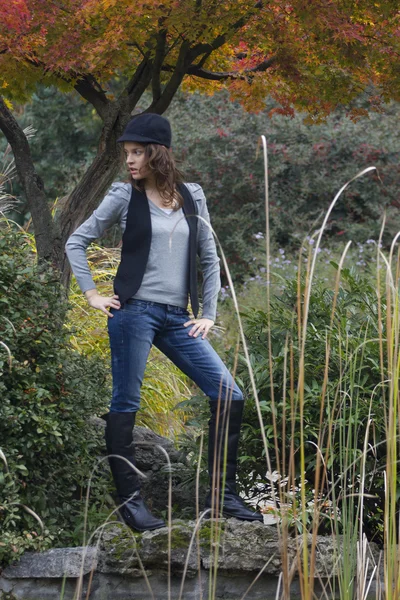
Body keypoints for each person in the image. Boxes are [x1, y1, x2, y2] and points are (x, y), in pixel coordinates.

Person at [65, 113, 263, 531]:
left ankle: (222, 497)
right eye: (127, 154)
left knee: (230, 394)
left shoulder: (193, 196)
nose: (131, 161)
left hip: (178, 318)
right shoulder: (123, 196)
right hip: (133, 313)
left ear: (157, 154)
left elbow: (209, 258)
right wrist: (92, 294)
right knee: (126, 404)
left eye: (138, 153)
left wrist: (208, 314)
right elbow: (76, 240)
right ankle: (131, 504)